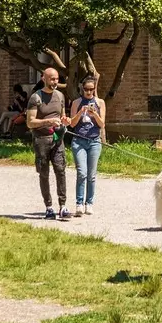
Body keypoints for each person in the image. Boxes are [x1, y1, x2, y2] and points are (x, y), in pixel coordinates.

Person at [23, 67, 72, 219]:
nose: (55, 82)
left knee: (60, 171)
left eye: (57, 79)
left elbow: (62, 116)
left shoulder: (60, 96)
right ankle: (49, 207)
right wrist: (48, 121)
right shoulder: (36, 98)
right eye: (52, 79)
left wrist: (65, 120)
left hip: (57, 139)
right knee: (44, 173)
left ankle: (63, 206)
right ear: (43, 78)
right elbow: (30, 123)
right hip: (41, 140)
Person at [65, 73, 106, 220]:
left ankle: (89, 203)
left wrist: (94, 114)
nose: (89, 92)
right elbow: (72, 124)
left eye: (91, 89)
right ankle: (79, 203)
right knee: (82, 173)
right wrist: (80, 112)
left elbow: (102, 124)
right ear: (82, 89)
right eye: (86, 89)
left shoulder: (100, 102)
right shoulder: (76, 102)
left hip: (94, 141)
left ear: (94, 89)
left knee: (91, 175)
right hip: (79, 141)